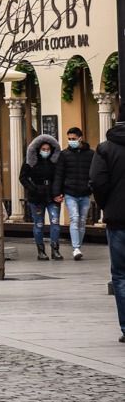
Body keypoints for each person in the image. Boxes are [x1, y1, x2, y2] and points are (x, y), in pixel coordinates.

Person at [90, 118, 125, 343]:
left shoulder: (105, 149)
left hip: (118, 219)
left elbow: (97, 182)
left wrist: (107, 206)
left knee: (121, 275)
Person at [56, 126, 95, 260]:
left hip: (85, 193)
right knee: (75, 218)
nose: (71, 141)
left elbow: (94, 173)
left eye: (73, 138)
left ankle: (78, 246)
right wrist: (58, 192)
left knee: (82, 221)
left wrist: (91, 187)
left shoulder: (91, 154)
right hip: (70, 192)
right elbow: (59, 174)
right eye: (69, 139)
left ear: (80, 138)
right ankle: (76, 248)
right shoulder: (64, 154)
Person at [21, 134, 62, 260]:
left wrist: (60, 193)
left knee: (55, 222)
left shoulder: (55, 162)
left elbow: (60, 177)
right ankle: (41, 251)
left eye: (48, 149)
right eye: (43, 149)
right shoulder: (30, 161)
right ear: (38, 149)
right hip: (36, 197)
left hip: (52, 195)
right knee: (38, 224)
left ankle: (55, 249)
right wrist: (33, 188)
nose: (46, 151)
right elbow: (22, 177)